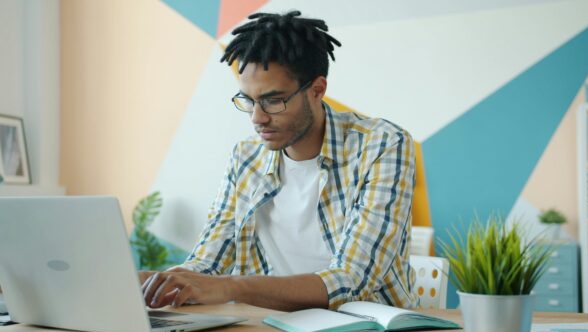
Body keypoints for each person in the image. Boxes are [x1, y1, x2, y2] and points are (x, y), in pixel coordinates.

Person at [140, 10, 417, 312]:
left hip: (373, 331)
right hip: (276, 329)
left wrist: (233, 287)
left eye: (273, 100)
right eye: (248, 100)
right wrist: (153, 281)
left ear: (317, 90)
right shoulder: (246, 159)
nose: (258, 118)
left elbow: (352, 279)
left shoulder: (382, 145)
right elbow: (208, 264)